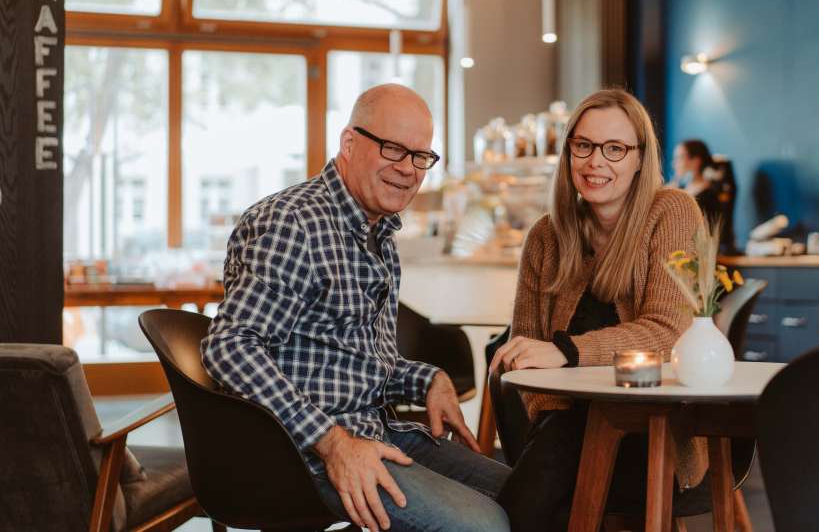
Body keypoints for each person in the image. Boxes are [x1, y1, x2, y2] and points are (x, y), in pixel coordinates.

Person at [201, 84, 510, 532]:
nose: (408, 170)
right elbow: (230, 346)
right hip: (299, 452)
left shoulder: (377, 233)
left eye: (420, 156)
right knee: (485, 526)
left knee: (532, 495)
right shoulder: (294, 224)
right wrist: (332, 443)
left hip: (373, 431)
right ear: (349, 143)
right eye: (392, 149)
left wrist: (429, 378)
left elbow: (359, 362)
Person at [489, 89, 708, 532]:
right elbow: (526, 351)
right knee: (551, 467)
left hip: (653, 434)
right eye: (583, 146)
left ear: (640, 158)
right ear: (568, 150)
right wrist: (551, 411)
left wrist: (566, 351)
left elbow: (669, 333)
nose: (595, 162)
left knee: (527, 503)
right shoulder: (546, 236)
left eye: (615, 149)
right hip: (562, 430)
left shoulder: (673, 212)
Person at [672, 139, 737, 253]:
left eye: (680, 158)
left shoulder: (710, 195)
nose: (674, 163)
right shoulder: (678, 190)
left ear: (695, 161)